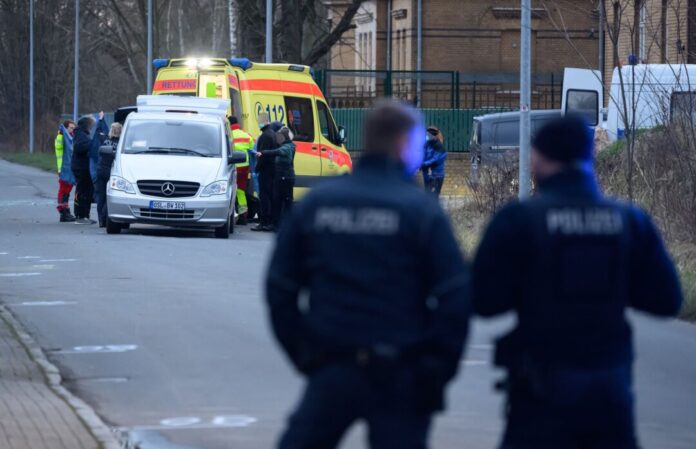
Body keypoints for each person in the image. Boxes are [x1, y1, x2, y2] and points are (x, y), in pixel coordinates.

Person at [265, 99, 471, 449]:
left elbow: (280, 287)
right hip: (401, 371)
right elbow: (455, 296)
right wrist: (434, 370)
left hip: (332, 366)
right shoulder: (421, 212)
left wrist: (305, 353)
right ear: (405, 144)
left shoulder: (320, 203)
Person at [473, 115, 683, 449]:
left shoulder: (519, 221)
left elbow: (484, 301)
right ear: (590, 156)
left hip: (540, 391)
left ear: (539, 158)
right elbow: (667, 300)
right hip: (608, 389)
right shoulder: (630, 221)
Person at [257, 126, 295, 226]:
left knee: (285, 201)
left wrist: (263, 152)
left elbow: (277, 152)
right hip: (283, 176)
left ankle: (285, 224)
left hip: (285, 177)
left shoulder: (287, 147)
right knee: (279, 201)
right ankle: (277, 224)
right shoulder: (287, 145)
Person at [252, 113, 278, 232]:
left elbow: (262, 154)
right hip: (272, 169)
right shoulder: (272, 134)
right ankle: (269, 221)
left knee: (264, 196)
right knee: (269, 195)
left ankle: (264, 222)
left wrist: (256, 169)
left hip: (266, 170)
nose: (259, 124)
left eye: (261, 121)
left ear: (266, 122)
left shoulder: (265, 136)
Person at [229, 116, 255, 225]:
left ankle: (236, 215)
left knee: (229, 191)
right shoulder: (247, 135)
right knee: (241, 191)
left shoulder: (228, 135)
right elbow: (253, 150)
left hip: (231, 166)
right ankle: (243, 216)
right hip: (244, 167)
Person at [71, 115, 97, 225]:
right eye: (91, 125)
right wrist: (92, 144)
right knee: (82, 192)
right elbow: (79, 147)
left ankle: (86, 215)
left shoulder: (84, 134)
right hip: (81, 168)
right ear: (87, 125)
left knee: (88, 192)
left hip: (85, 168)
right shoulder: (80, 134)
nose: (92, 127)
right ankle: (80, 215)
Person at [95, 122, 121, 228]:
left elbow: (97, 131)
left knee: (101, 196)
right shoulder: (121, 143)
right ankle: (105, 218)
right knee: (109, 197)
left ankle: (101, 219)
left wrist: (101, 120)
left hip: (101, 171)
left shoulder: (104, 139)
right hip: (112, 173)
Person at [55, 120, 76, 222]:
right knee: (63, 190)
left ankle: (66, 211)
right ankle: (63, 212)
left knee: (68, 190)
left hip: (68, 167)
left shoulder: (70, 137)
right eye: (71, 128)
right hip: (63, 167)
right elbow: (59, 147)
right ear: (66, 128)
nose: (73, 130)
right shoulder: (62, 137)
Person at [421, 126, 447, 196]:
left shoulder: (439, 147)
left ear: (433, 136)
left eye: (428, 135)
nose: (426, 136)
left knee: (433, 197)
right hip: (427, 175)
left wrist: (424, 164)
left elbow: (435, 160)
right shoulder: (427, 144)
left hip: (436, 175)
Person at [89, 111, 109, 185]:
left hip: (95, 156)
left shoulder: (96, 131)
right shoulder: (104, 131)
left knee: (95, 178)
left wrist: (101, 119)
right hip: (97, 157)